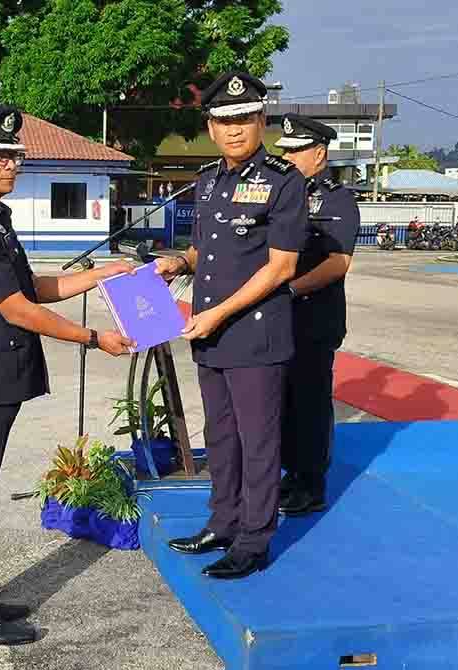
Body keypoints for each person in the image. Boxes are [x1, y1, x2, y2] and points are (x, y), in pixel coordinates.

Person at [0, 107, 135, 644]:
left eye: (15, 156)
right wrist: (93, 339)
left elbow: (36, 288)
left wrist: (103, 274)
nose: (11, 165)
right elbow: (17, 309)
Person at [158, 71, 308, 579]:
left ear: (262, 121)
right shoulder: (209, 180)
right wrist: (178, 263)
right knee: (219, 433)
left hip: (255, 333)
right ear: (210, 127)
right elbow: (210, 251)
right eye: (224, 121)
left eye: (245, 119)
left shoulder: (284, 182)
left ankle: (253, 539)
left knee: (258, 439)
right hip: (211, 331)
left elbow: (282, 266)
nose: (235, 130)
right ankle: (222, 522)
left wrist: (218, 313)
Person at [273, 114, 360, 516]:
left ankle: (311, 484)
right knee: (281, 403)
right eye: (285, 151)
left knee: (309, 404)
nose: (287, 157)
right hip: (277, 319)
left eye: (295, 151)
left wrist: (288, 288)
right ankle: (290, 475)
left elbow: (337, 263)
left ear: (319, 154)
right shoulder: (280, 196)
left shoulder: (336, 199)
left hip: (312, 319)